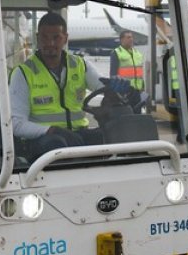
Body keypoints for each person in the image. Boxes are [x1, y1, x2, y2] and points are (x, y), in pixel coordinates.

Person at [10, 12, 126, 160]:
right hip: (43, 140)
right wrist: (52, 130)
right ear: (38, 38)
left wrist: (116, 87)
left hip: (77, 134)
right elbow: (17, 125)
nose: (50, 43)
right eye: (44, 37)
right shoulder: (23, 74)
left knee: (105, 138)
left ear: (65, 38)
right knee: (57, 144)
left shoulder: (80, 65)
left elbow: (101, 86)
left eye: (56, 38)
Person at [108, 30, 145, 112]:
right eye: (128, 37)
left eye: (131, 37)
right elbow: (113, 74)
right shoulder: (116, 53)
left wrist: (143, 87)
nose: (131, 39)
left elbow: (140, 72)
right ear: (121, 40)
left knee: (137, 114)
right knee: (126, 115)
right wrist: (116, 92)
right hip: (124, 92)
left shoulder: (137, 53)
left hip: (137, 91)